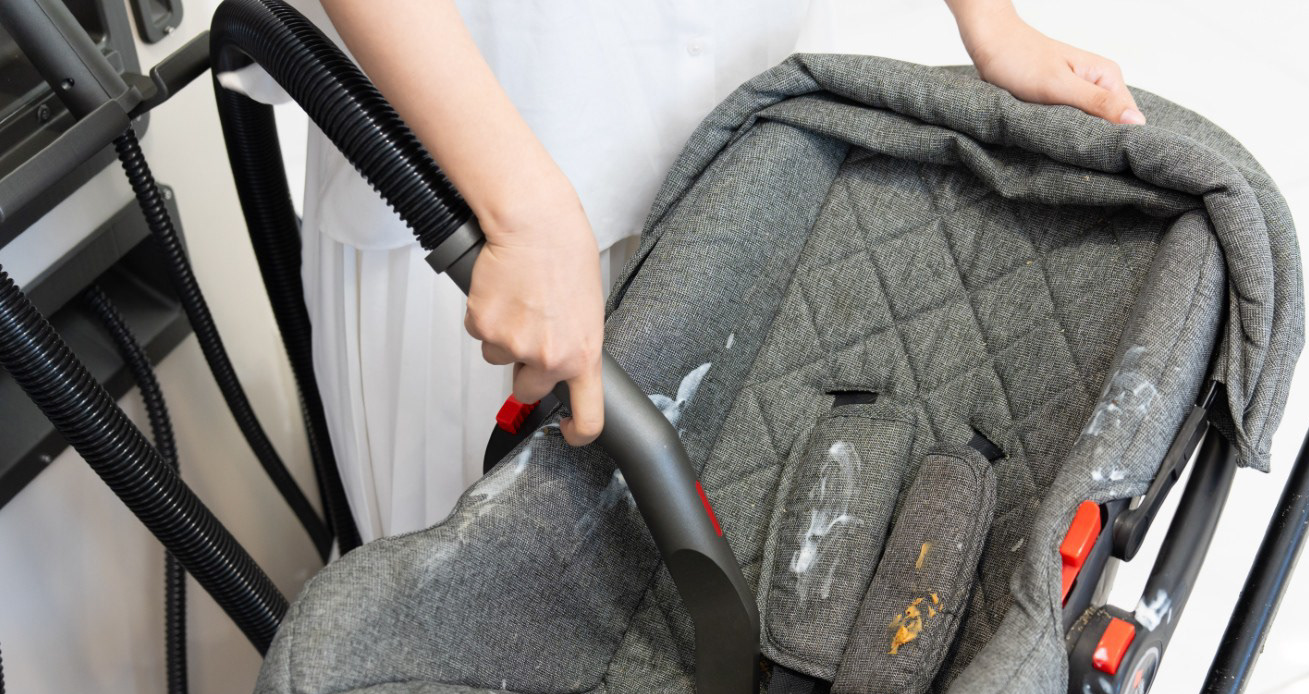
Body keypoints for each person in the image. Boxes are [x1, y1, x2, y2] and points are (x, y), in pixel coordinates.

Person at [250, 1, 1142, 541]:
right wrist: (519, 208)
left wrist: (992, 21)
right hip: (475, 193)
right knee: (465, 649)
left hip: (757, 149)